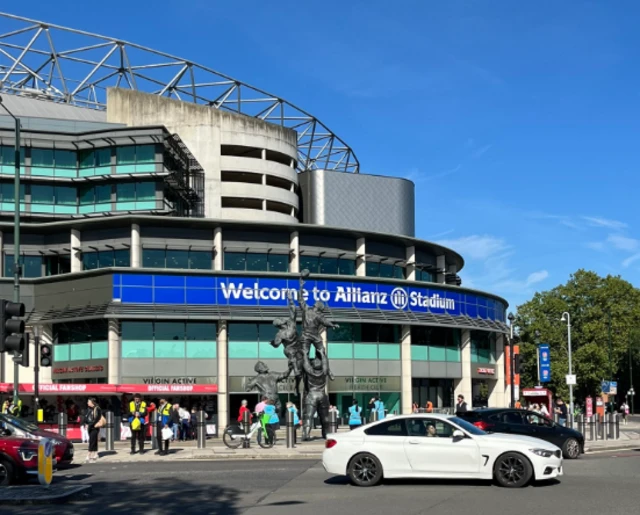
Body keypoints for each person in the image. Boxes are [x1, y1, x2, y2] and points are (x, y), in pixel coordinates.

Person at [84, 397, 102, 463]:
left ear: (92, 402)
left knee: (92, 441)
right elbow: (86, 417)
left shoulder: (97, 408)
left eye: (88, 402)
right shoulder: (89, 409)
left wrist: (90, 424)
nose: (87, 403)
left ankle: (89, 454)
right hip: (90, 427)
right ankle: (95, 453)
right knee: (94, 440)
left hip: (94, 427)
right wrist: (85, 423)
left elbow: (97, 418)